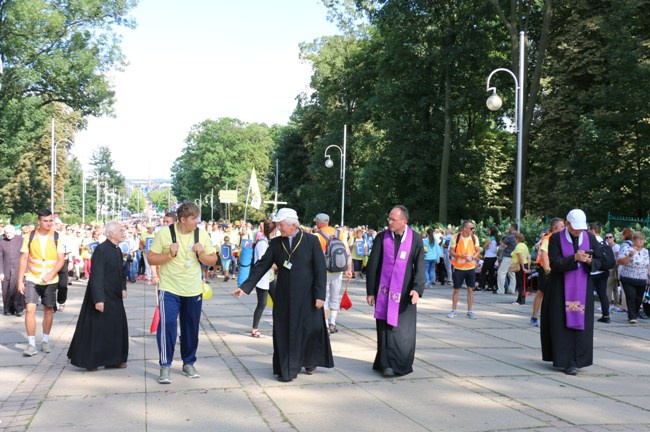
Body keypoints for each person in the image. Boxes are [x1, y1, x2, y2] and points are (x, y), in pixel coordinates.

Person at [233, 208, 333, 382]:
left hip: (308, 296)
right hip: (284, 296)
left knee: (308, 330)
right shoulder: (276, 243)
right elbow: (261, 266)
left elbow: (320, 270)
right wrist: (245, 286)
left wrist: (320, 296)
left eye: (281, 224)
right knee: (285, 331)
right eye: (278, 224)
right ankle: (288, 368)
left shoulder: (311, 241)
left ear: (293, 224)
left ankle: (309, 361)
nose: (278, 228)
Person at [147, 202, 218, 384]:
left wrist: (201, 255)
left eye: (197, 218)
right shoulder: (165, 233)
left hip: (193, 289)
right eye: (194, 218)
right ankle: (165, 365)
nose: (197, 221)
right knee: (168, 325)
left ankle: (188, 363)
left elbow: (213, 260)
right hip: (169, 288)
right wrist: (169, 255)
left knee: (190, 328)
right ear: (183, 219)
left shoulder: (201, 234)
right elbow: (151, 258)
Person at [540, 209, 614, 375]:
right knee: (561, 322)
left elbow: (602, 261)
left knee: (581, 322)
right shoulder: (556, 238)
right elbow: (555, 262)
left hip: (583, 287)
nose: (578, 232)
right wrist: (574, 258)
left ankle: (578, 359)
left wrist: (589, 261)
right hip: (560, 287)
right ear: (567, 224)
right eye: (574, 229)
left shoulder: (589, 237)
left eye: (580, 229)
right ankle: (565, 360)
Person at [365, 205, 425, 377]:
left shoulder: (415, 239)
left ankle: (402, 363)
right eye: (389, 218)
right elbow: (372, 266)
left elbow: (420, 266)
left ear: (404, 221)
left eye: (393, 219)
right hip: (384, 292)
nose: (389, 222)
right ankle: (386, 364)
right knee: (385, 329)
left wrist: (417, 289)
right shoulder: (382, 238)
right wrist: (370, 291)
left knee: (402, 332)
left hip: (405, 294)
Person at [67, 221, 129, 371]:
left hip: (115, 296)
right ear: (111, 233)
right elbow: (96, 276)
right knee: (97, 330)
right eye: (120, 230)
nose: (123, 232)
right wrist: (99, 299)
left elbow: (121, 272)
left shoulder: (117, 250)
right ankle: (92, 361)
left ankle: (114, 359)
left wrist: (123, 287)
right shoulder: (101, 250)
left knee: (115, 327)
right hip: (101, 295)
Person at [17, 209, 66, 357]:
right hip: (32, 278)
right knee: (30, 309)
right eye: (45, 221)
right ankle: (31, 344)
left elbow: (61, 260)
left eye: (50, 220)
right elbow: (24, 259)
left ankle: (45, 340)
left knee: (48, 310)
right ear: (39, 221)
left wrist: (51, 274)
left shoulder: (58, 236)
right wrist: (20, 280)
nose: (49, 223)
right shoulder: (29, 236)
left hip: (51, 280)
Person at [313, 213, 352, 334]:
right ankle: (333, 323)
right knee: (335, 297)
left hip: (323, 272)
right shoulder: (339, 233)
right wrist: (349, 269)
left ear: (319, 223)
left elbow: (314, 256)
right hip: (338, 270)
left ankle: (324, 325)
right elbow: (347, 252)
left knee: (324, 298)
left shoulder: (317, 236)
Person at [530, 218, 564, 326]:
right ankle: (534, 316)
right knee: (541, 293)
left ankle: (553, 317)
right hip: (547, 270)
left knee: (555, 294)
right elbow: (544, 255)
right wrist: (547, 270)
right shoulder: (547, 239)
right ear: (555, 228)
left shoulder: (561, 238)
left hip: (556, 270)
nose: (564, 228)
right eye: (562, 226)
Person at [447, 220, 481, 319]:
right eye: (471, 228)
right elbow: (451, 252)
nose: (473, 230)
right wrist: (460, 255)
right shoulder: (456, 237)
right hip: (458, 268)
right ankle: (453, 310)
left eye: (473, 228)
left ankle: (470, 311)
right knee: (456, 290)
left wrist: (473, 257)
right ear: (465, 228)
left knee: (470, 289)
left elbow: (478, 250)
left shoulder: (474, 238)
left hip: (470, 267)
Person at [248, 220, 276, 338]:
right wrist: (277, 265)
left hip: (270, 278)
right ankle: (255, 329)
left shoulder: (270, 241)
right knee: (262, 304)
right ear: (273, 230)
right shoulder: (262, 243)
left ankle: (278, 325)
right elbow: (263, 262)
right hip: (262, 279)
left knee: (278, 301)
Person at [617, 231, 650, 324]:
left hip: (642, 279)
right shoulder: (627, 249)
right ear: (634, 240)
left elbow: (648, 264)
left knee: (639, 298)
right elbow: (620, 262)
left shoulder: (645, 251)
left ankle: (634, 314)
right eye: (639, 239)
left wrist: (649, 275)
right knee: (631, 296)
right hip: (628, 278)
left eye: (642, 239)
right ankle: (632, 317)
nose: (641, 241)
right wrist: (630, 255)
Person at [588, 222, 611, 323]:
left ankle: (588, 315)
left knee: (588, 294)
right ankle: (606, 315)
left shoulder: (591, 241)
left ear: (592, 230)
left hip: (593, 272)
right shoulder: (604, 241)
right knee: (602, 294)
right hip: (604, 271)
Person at [1, 225, 25, 316]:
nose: (8, 235)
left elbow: (25, 255)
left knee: (18, 289)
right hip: (6, 268)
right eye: (6, 233)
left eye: (10, 232)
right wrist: (1, 272)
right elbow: (0, 257)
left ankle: (19, 309)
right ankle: (8, 309)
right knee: (6, 290)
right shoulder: (2, 242)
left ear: (14, 232)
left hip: (18, 268)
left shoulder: (21, 240)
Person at [496, 223, 518, 294]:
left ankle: (501, 290)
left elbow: (502, 245)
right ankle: (512, 290)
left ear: (512, 227)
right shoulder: (519, 236)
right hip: (515, 258)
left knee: (501, 272)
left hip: (508, 257)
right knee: (512, 274)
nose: (509, 228)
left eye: (510, 227)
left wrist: (504, 245)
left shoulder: (510, 236)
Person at [510, 233, 531, 305]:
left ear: (517, 239)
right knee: (523, 283)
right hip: (524, 265)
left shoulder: (518, 246)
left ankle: (520, 300)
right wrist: (527, 267)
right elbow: (529, 256)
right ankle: (521, 299)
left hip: (520, 265)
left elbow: (520, 257)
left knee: (520, 283)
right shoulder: (525, 245)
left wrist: (522, 267)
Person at [479, 226, 499, 291]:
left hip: (488, 257)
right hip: (494, 257)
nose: (488, 232)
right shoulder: (497, 239)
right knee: (491, 272)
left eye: (489, 230)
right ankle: (491, 286)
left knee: (484, 272)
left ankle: (481, 286)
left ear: (492, 231)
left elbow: (484, 246)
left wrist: (486, 247)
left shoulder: (490, 238)